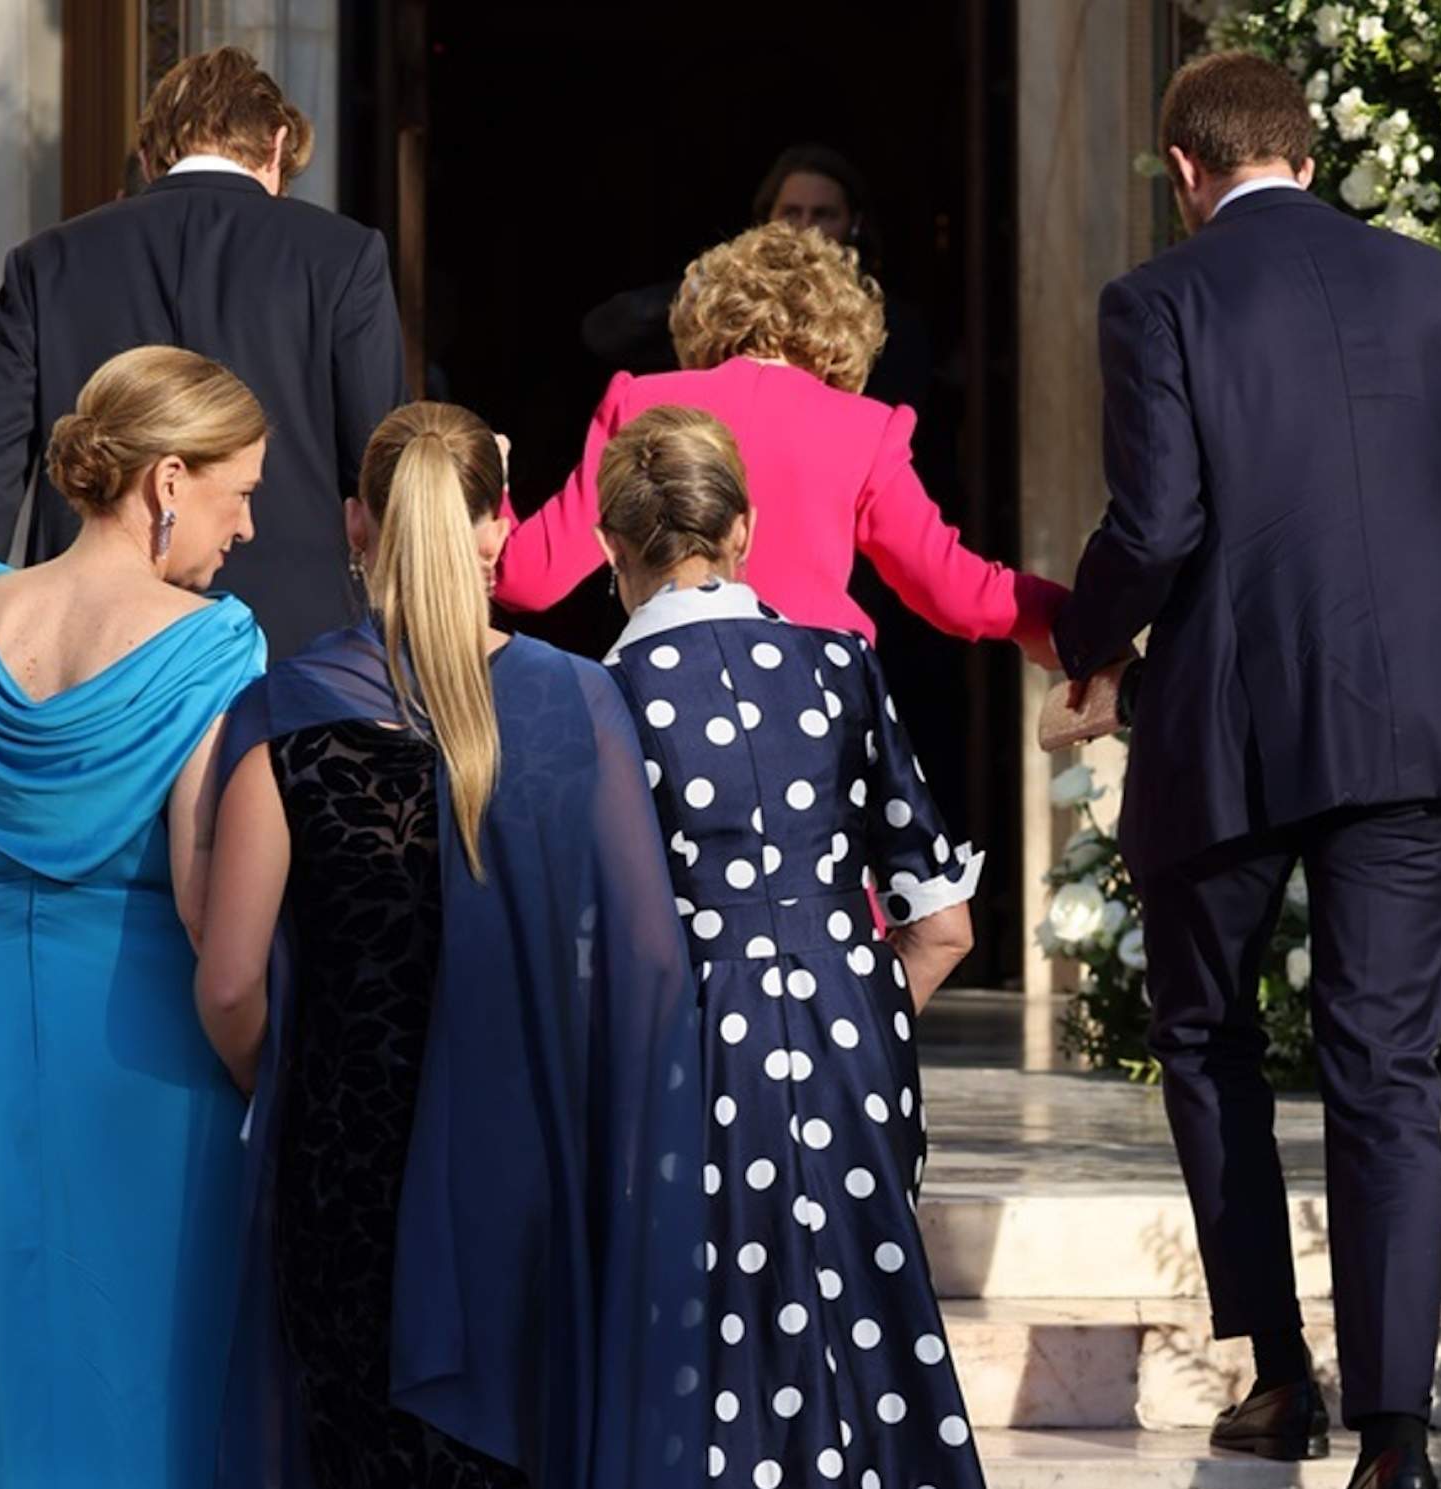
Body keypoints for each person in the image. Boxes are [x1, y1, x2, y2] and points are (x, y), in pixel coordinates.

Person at [1051, 53, 1441, 1489]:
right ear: (1306, 150)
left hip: (1227, 721)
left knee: (1209, 1044)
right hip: (1421, 728)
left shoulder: (1155, 301)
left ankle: (1280, 1380)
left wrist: (1082, 645)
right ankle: (1394, 1434)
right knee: (1382, 1067)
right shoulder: (1428, 284)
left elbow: (1152, 526)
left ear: (1181, 168)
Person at [197, 402, 705, 1489]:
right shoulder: (581, 702)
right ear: (497, 527)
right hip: (527, 1158)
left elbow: (232, 979)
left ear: (355, 524)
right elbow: (651, 969)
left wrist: (294, 1081)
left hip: (341, 1165)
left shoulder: (283, 711)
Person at [0, 346, 269, 1488]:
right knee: (138, 1379)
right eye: (239, 496)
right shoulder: (212, 645)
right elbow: (196, 890)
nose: (243, 532)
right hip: (144, 1049)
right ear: (167, 480)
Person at [595, 405, 987, 1489]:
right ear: (746, 530)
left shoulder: (601, 697)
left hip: (687, 1059)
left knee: (713, 1353)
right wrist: (853, 1001)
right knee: (867, 1345)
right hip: (849, 1037)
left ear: (608, 549)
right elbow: (942, 922)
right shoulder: (837, 665)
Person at [0, 44, 406, 661]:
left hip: (88, 647)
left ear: (150, 156)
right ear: (276, 146)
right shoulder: (342, 256)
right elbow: (383, 469)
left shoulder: (48, 262)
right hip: (293, 645)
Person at [498, 221, 1065, 665]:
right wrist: (1063, 612)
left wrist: (494, 482)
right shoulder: (864, 429)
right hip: (817, 719)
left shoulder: (640, 403)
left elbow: (528, 579)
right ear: (844, 330)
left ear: (706, 315)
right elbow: (953, 592)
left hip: (671, 712)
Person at [581, 144, 931, 410]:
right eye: (791, 212)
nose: (805, 227)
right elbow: (606, 331)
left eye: (824, 214)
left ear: (854, 225)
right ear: (767, 220)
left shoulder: (887, 323)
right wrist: (706, 289)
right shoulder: (726, 305)